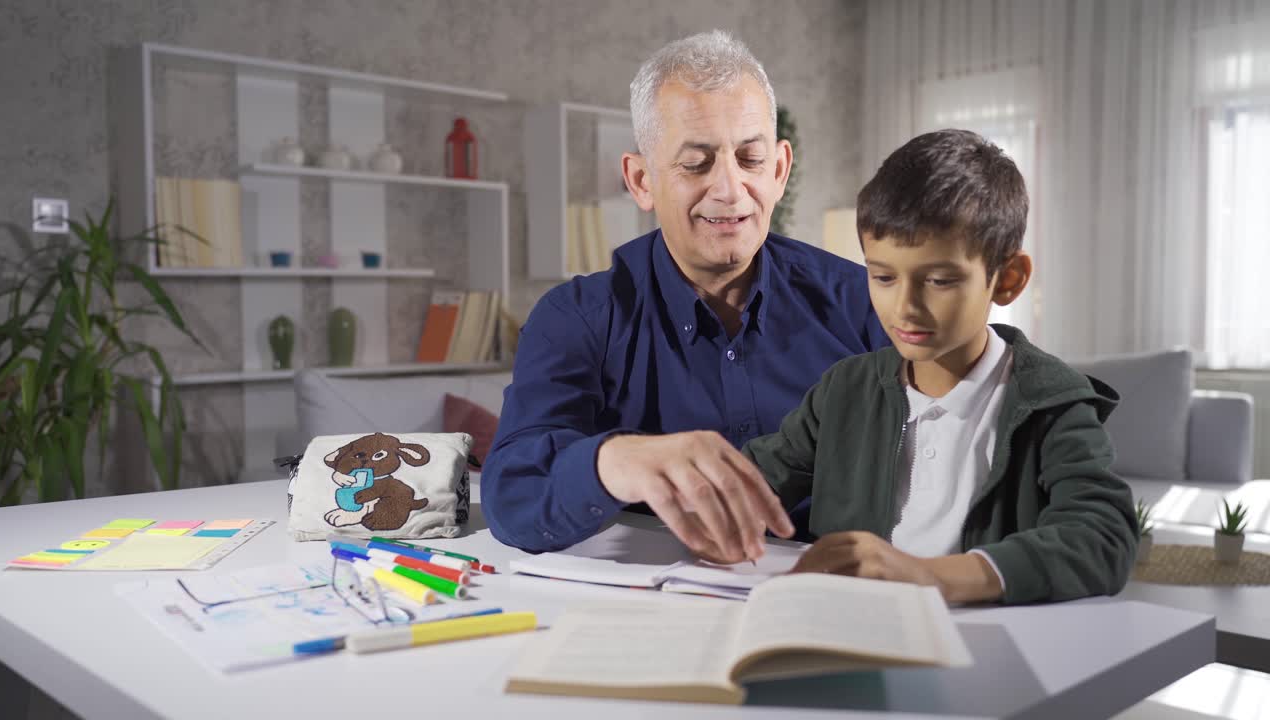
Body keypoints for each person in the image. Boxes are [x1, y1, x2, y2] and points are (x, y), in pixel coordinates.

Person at [481, 30, 888, 561]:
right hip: (658, 606)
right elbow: (513, 498)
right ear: (641, 180)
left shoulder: (862, 300)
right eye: (696, 164)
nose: (729, 190)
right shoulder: (576, 319)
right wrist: (616, 461)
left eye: (750, 159)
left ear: (780, 169)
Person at [742, 129, 1138, 604]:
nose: (904, 307)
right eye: (882, 276)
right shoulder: (845, 388)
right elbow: (755, 487)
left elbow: (1103, 538)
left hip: (985, 654)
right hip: (846, 635)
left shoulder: (1052, 401)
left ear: (1007, 280)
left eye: (939, 280)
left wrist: (931, 576)